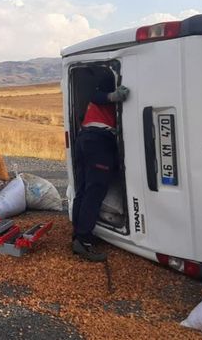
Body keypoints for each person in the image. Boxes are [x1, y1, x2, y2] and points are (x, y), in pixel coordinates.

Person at [72, 74, 129, 262]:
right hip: (97, 141)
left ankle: (78, 235)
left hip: (84, 139)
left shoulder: (96, 105)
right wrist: (113, 96)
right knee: (94, 192)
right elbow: (96, 95)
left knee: (83, 190)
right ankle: (83, 240)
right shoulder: (104, 95)